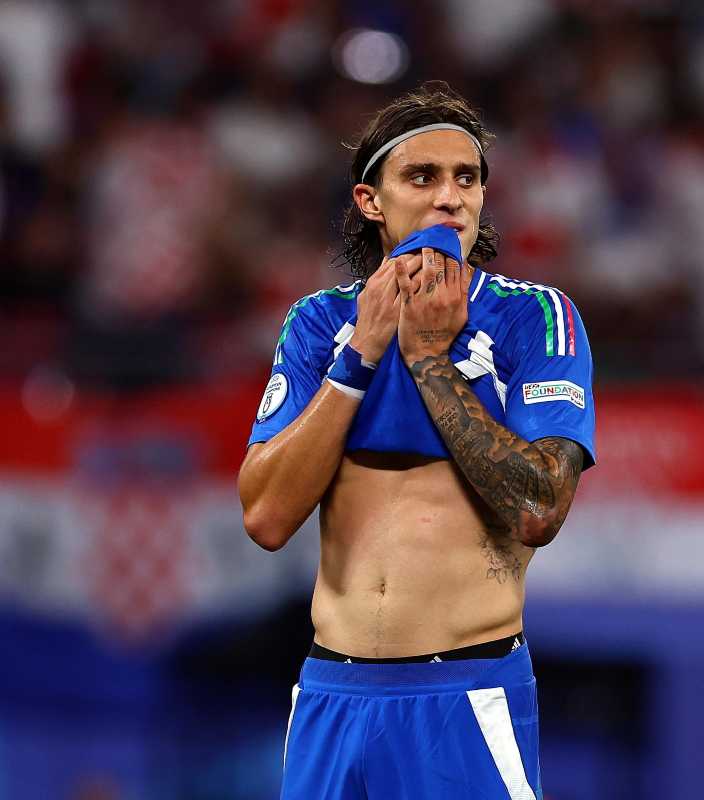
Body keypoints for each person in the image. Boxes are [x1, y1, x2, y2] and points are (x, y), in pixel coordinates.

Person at [237, 81, 596, 800]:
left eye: (467, 178)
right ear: (371, 200)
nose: (450, 198)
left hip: (463, 695)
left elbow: (539, 508)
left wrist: (431, 359)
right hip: (331, 694)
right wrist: (359, 357)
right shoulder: (318, 324)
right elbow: (267, 518)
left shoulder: (535, 318)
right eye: (423, 177)